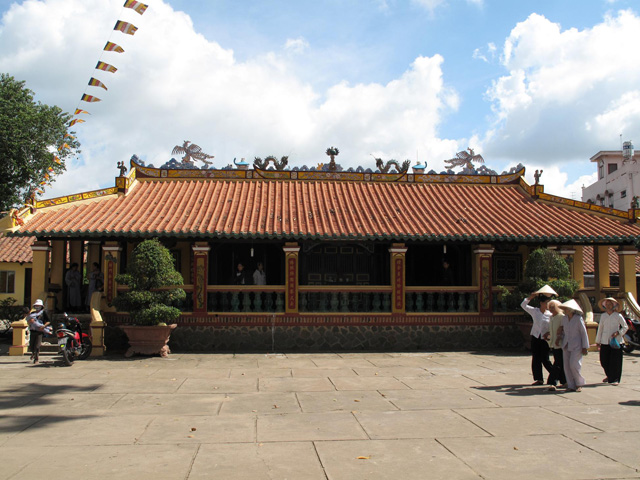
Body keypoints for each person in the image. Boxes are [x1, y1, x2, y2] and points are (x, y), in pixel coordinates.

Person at [521, 285, 556, 385]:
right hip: (536, 336)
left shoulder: (550, 314)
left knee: (545, 359)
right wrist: (530, 297)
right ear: (541, 303)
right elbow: (523, 305)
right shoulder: (535, 311)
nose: (547, 305)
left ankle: (555, 375)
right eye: (546, 303)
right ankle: (539, 379)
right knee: (536, 358)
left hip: (545, 338)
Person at [595, 297, 628, 386]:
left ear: (613, 306)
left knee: (616, 362)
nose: (608, 306)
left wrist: (618, 333)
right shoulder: (603, 316)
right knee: (604, 360)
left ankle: (615, 379)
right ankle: (609, 375)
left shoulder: (618, 316)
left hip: (616, 342)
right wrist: (598, 341)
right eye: (607, 304)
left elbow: (625, 327)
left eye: (610, 304)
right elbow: (600, 328)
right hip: (605, 341)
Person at [559, 299, 590, 392]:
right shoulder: (564, 319)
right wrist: (559, 338)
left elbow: (583, 333)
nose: (566, 310)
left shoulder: (578, 318)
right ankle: (571, 385)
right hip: (566, 344)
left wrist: (585, 346)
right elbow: (563, 331)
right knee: (567, 366)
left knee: (574, 365)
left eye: (568, 309)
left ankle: (579, 383)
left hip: (577, 345)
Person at [546, 300, 567, 391]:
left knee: (558, 363)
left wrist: (559, 337)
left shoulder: (561, 317)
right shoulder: (551, 317)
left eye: (553, 307)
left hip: (561, 343)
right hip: (553, 342)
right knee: (559, 362)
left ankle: (552, 382)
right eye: (550, 307)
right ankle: (564, 381)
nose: (551, 309)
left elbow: (563, 329)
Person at [27, 299, 51, 364]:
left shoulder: (43, 313)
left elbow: (48, 321)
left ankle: (36, 358)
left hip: (40, 331)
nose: (37, 307)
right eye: (36, 306)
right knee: (31, 346)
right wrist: (30, 321)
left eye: (39, 306)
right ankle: (33, 353)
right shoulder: (32, 313)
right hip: (33, 331)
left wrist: (44, 326)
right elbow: (28, 321)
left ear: (41, 307)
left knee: (37, 346)